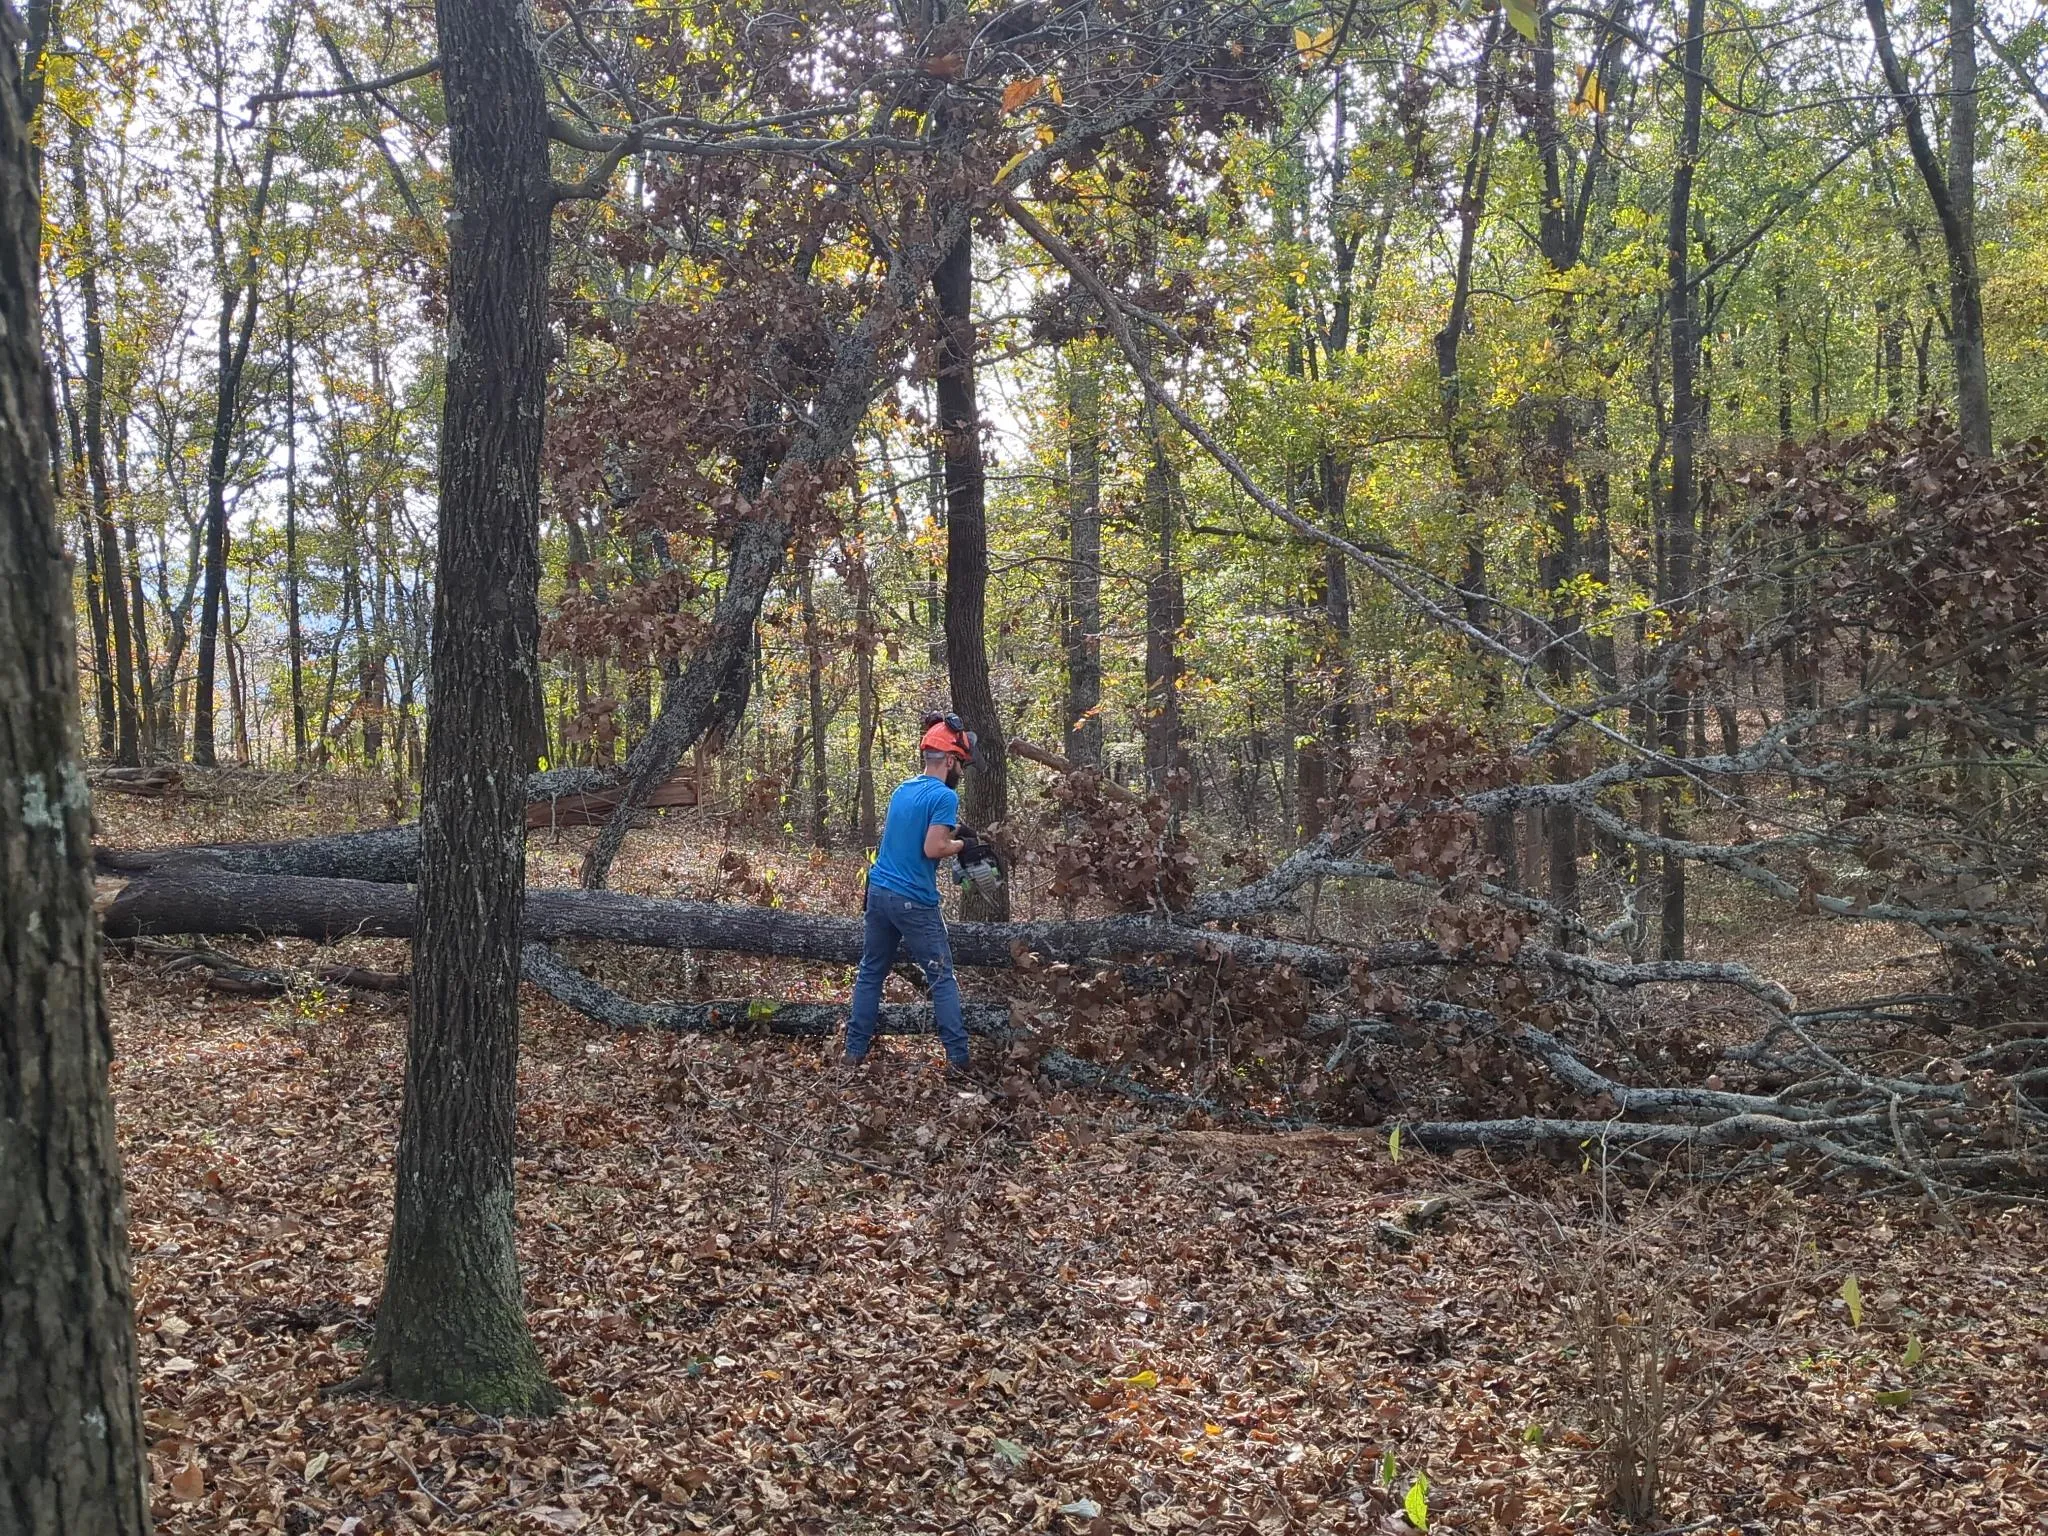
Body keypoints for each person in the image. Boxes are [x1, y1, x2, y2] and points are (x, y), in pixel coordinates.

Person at [844, 713, 981, 1076]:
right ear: (949, 760)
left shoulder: (903, 789)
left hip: (879, 892)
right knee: (942, 978)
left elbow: (909, 836)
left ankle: (853, 1053)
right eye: (961, 765)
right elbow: (933, 848)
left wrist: (955, 833)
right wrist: (964, 843)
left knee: (871, 972)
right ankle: (960, 1060)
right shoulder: (944, 796)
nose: (961, 774)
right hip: (913, 900)